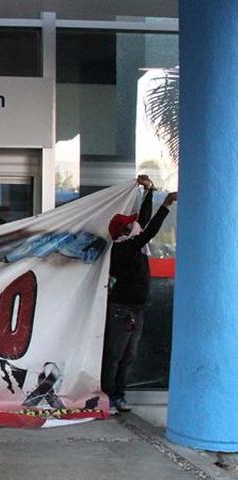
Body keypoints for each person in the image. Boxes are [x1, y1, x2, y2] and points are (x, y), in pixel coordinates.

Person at [102, 174, 177, 415]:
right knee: (115, 356)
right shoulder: (124, 248)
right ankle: (109, 396)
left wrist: (150, 192)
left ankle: (119, 395)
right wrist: (164, 205)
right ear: (123, 231)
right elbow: (148, 230)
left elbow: (143, 222)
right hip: (122, 309)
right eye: (129, 223)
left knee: (128, 356)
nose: (134, 224)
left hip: (135, 308)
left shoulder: (134, 243)